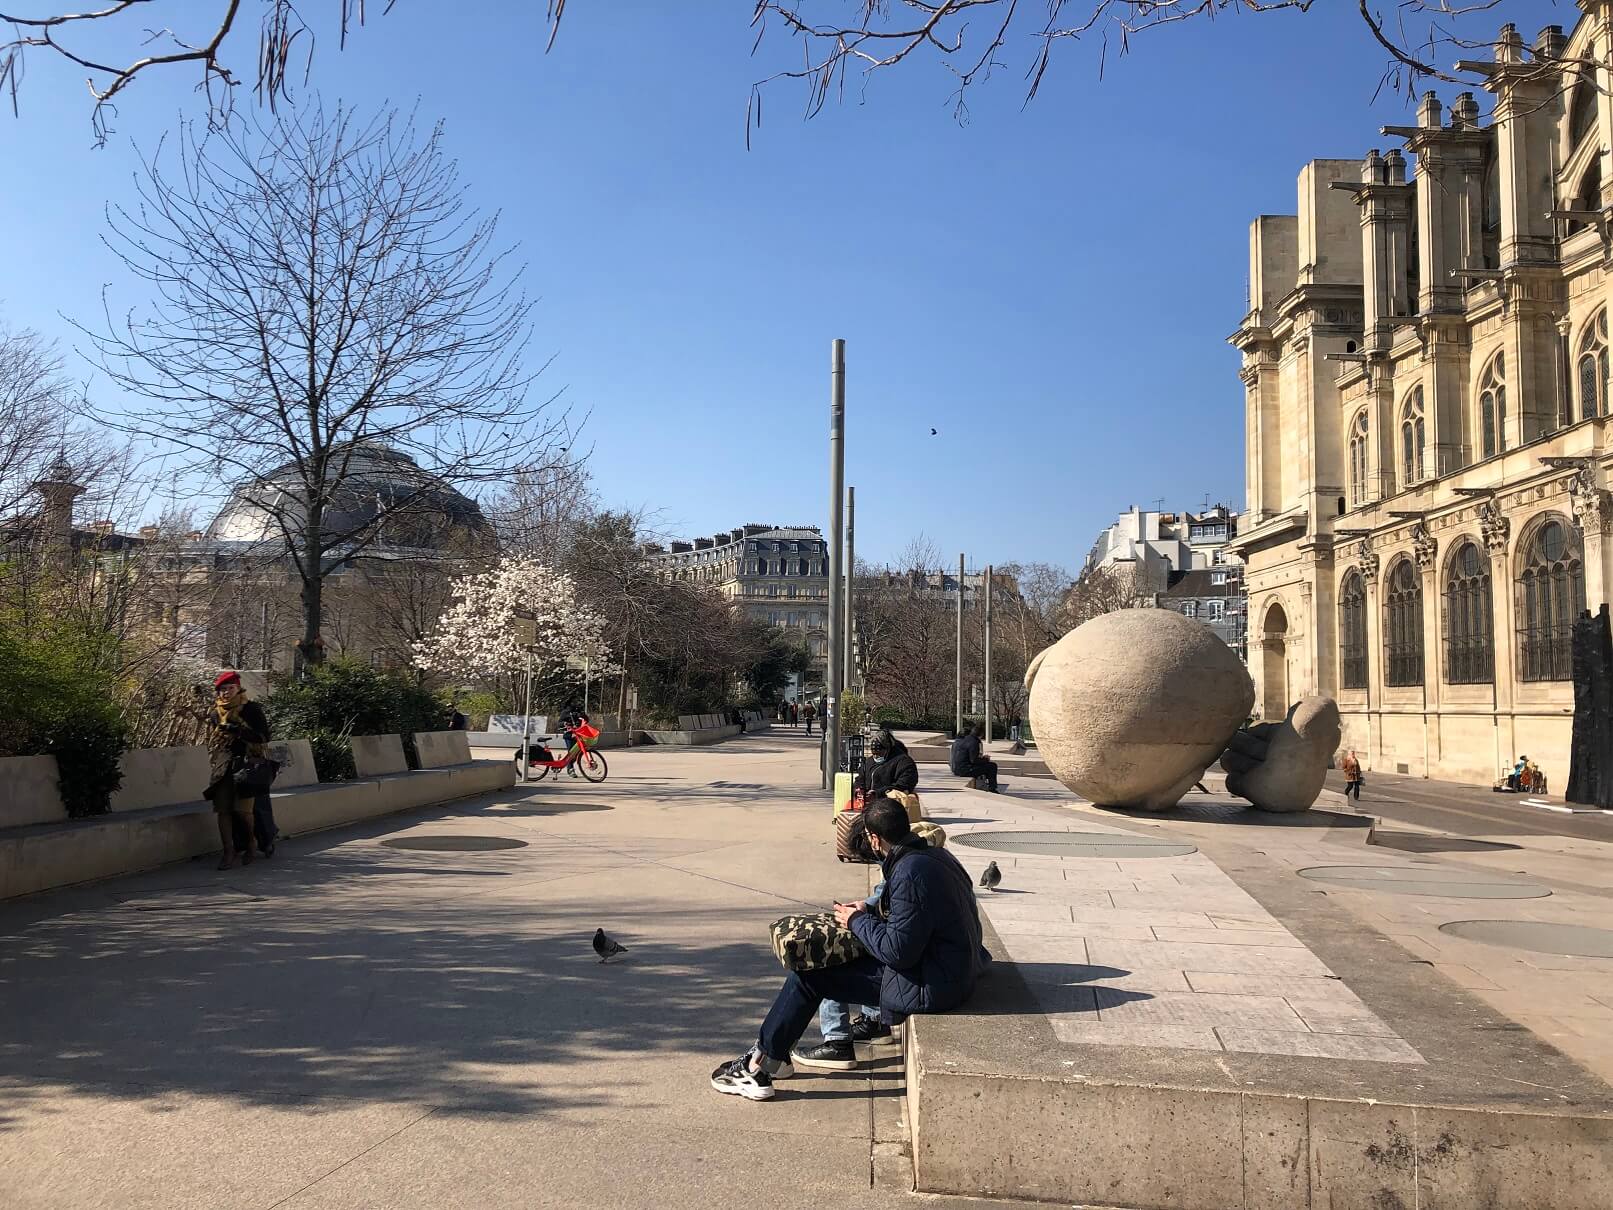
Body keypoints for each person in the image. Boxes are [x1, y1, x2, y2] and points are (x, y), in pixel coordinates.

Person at [710, 799, 987, 1100]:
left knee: (809, 977)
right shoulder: (933, 855)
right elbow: (917, 918)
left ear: (873, 837)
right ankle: (775, 1056)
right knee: (826, 969)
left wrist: (856, 921)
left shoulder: (909, 872)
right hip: (949, 969)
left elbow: (898, 952)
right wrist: (870, 910)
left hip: (932, 983)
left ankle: (758, 1067)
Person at [201, 670, 273, 868]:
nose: (226, 693)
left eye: (230, 688)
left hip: (248, 764)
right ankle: (228, 851)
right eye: (222, 690)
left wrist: (238, 731)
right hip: (224, 764)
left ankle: (251, 843)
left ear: (238, 688)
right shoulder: (216, 712)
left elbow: (264, 737)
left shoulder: (251, 709)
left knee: (243, 811)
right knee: (223, 809)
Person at [856, 728, 919, 804]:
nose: (876, 757)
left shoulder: (904, 762)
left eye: (879, 754)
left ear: (887, 749)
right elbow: (860, 778)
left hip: (891, 804)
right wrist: (859, 789)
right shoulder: (869, 762)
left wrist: (878, 793)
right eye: (874, 754)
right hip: (867, 803)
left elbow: (904, 784)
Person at [949, 723, 999, 793]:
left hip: (955, 768)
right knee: (992, 766)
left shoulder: (964, 739)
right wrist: (985, 759)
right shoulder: (974, 742)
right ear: (981, 735)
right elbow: (974, 760)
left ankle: (986, 783)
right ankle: (992, 788)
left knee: (986, 765)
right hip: (964, 770)